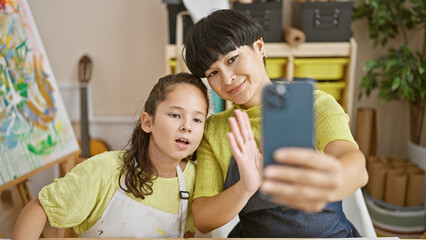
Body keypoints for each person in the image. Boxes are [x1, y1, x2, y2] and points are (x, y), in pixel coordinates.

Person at [183, 9, 368, 238]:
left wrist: (334, 179)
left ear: (259, 47)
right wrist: (246, 186)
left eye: (232, 59)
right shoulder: (215, 130)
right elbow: (203, 219)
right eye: (213, 73)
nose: (227, 78)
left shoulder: (315, 105)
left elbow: (356, 167)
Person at [12, 73, 209, 238]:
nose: (187, 126)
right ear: (148, 122)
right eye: (175, 115)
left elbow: (187, 233)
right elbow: (40, 208)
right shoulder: (105, 169)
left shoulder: (195, 179)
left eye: (197, 119)